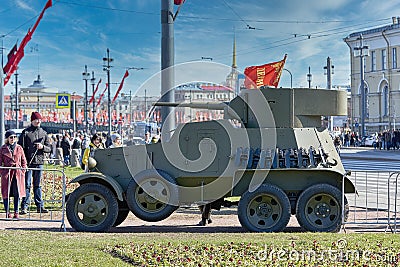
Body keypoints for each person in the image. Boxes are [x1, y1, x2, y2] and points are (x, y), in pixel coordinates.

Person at [18, 112, 51, 214]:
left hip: (39, 162)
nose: (38, 121)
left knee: (38, 185)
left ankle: (40, 206)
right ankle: (24, 206)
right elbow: (20, 148)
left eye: (40, 120)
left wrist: (42, 147)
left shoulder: (44, 133)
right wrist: (23, 162)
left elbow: (49, 148)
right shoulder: (25, 133)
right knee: (27, 184)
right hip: (28, 162)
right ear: (32, 121)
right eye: (36, 120)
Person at [0, 131, 27, 219]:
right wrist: (2, 172)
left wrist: (23, 170)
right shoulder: (3, 148)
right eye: (11, 137)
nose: (13, 139)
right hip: (7, 173)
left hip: (17, 173)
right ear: (7, 138)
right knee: (6, 193)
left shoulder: (19, 148)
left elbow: (23, 160)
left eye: (15, 137)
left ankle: (16, 212)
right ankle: (7, 212)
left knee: (17, 193)